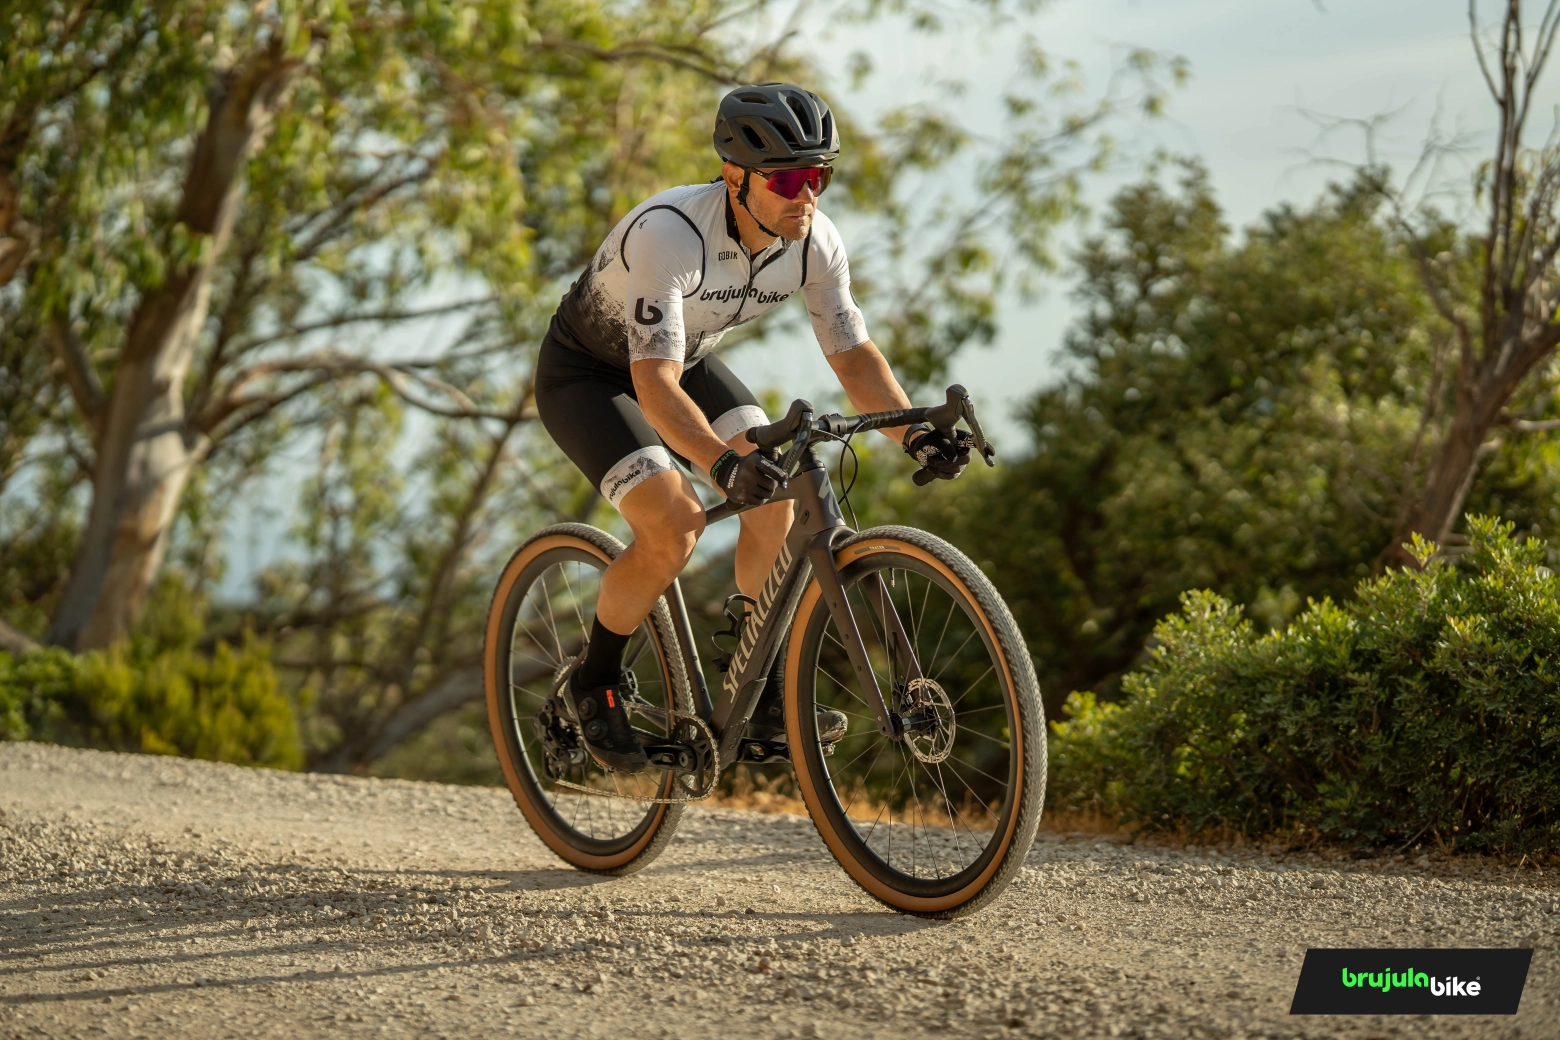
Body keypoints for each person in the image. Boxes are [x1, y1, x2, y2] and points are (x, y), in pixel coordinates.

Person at [535, 82, 973, 772]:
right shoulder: (671, 233)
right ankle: (593, 683)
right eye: (790, 178)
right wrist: (716, 464)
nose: (808, 196)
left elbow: (854, 358)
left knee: (773, 500)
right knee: (674, 522)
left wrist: (915, 432)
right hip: (591, 376)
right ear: (735, 176)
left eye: (819, 175)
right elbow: (651, 382)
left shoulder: (814, 241)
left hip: (689, 361)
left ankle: (757, 684)